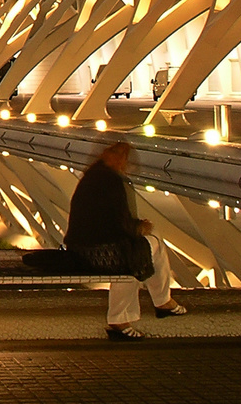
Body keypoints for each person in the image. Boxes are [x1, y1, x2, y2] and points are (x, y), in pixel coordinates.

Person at [65, 142, 187, 340]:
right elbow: (119, 224)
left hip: (80, 248)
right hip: (96, 253)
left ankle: (146, 308)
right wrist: (139, 227)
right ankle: (157, 303)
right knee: (139, 254)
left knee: (141, 251)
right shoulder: (112, 181)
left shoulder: (93, 176)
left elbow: (105, 220)